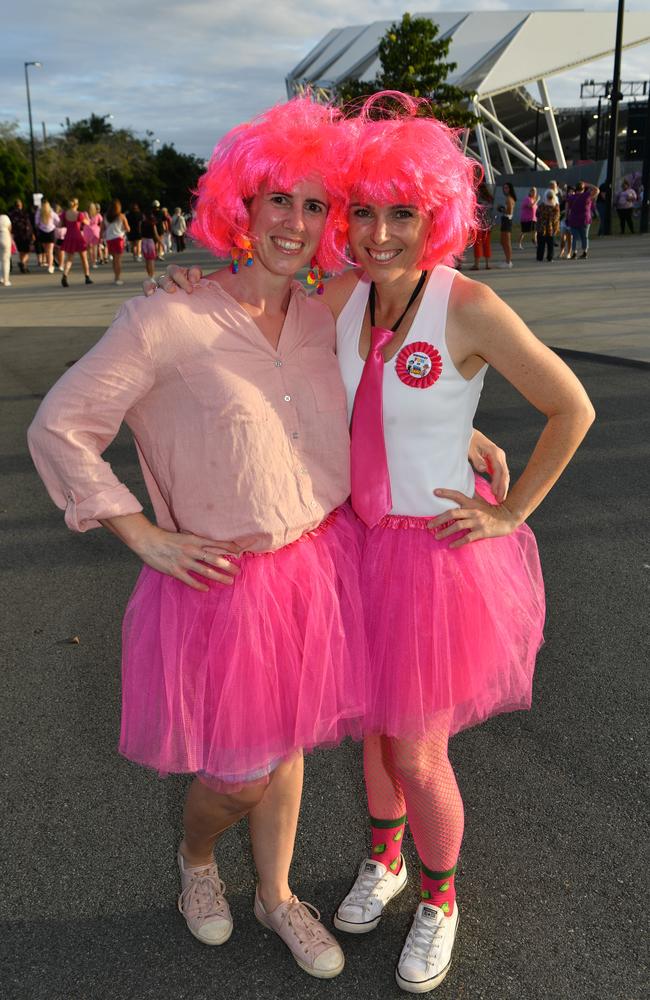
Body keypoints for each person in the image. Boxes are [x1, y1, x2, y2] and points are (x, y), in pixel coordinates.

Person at [152, 92, 589, 994]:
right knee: (374, 735)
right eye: (364, 210)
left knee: (418, 748)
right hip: (352, 549)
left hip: (434, 561)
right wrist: (186, 283)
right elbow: (284, 339)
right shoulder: (341, 296)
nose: (380, 231)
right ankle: (386, 859)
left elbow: (570, 408)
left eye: (404, 213)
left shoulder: (469, 304)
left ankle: (441, 897)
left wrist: (509, 513)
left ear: (438, 215)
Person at [28, 97, 370, 982]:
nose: (295, 222)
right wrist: (139, 532)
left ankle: (277, 892)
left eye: (315, 205)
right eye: (277, 201)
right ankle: (197, 863)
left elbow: (396, 391)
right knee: (241, 772)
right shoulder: (167, 320)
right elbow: (61, 424)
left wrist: (467, 439)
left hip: (315, 566)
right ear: (240, 210)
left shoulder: (327, 314)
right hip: (221, 584)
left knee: (289, 745)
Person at [59, 198, 92, 287]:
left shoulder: (64, 214)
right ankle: (87, 277)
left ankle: (65, 275)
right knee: (84, 258)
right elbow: (88, 223)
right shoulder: (79, 214)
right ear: (77, 205)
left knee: (69, 259)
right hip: (78, 236)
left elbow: (60, 224)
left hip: (69, 236)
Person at [566, 180, 599, 259]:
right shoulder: (587, 195)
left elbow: (568, 209)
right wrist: (587, 184)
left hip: (573, 219)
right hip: (585, 219)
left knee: (574, 237)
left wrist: (567, 217)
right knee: (585, 236)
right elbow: (597, 190)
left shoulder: (571, 197)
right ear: (583, 188)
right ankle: (584, 252)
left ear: (575, 189)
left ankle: (574, 252)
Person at [101, 200, 130, 285]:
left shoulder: (106, 216)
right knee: (118, 260)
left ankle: (116, 277)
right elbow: (128, 228)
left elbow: (102, 228)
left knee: (114, 260)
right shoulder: (121, 216)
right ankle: (117, 278)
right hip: (118, 239)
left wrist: (101, 237)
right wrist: (123, 230)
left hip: (109, 239)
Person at [470, 182, 493, 271]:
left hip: (478, 226)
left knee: (477, 245)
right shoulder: (489, 200)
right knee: (486, 244)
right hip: (487, 225)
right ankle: (487, 264)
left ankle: (476, 264)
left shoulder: (476, 201)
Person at [8, 199, 34, 274]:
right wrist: (32, 234)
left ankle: (24, 267)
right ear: (21, 205)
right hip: (25, 235)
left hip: (17, 235)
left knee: (21, 251)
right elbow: (28, 224)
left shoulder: (11, 214)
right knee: (27, 251)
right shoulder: (24, 213)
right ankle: (23, 263)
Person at [34, 200, 60, 274]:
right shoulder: (52, 212)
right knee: (50, 251)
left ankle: (50, 264)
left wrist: (40, 226)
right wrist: (54, 225)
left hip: (42, 232)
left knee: (46, 250)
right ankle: (50, 266)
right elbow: (58, 221)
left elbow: (36, 223)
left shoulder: (39, 212)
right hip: (51, 231)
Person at [535, 190, 560, 262]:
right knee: (550, 244)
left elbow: (537, 214)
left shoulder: (541, 205)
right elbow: (556, 219)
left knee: (541, 244)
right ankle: (550, 258)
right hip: (550, 228)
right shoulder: (555, 207)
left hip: (541, 227)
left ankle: (539, 257)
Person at [140, 209, 164, 278]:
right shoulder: (152, 224)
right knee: (151, 261)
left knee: (147, 260)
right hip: (150, 242)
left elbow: (140, 234)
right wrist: (161, 243)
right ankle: (152, 276)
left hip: (144, 242)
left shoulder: (142, 223)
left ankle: (149, 275)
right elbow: (156, 235)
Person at [497, 182, 516, 268]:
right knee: (502, 241)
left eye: (507, 188)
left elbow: (509, 211)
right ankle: (507, 260)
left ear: (510, 189)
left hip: (507, 220)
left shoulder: (509, 198)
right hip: (505, 220)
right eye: (504, 188)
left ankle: (508, 262)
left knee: (507, 242)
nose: (505, 189)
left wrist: (501, 209)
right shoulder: (508, 198)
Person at [85, 203, 103, 268]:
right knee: (95, 248)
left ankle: (89, 261)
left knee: (88, 248)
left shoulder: (85, 214)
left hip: (87, 231)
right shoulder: (98, 215)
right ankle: (94, 262)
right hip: (95, 231)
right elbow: (102, 222)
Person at [0, 211, 12, 287]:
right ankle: (6, 280)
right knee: (6, 260)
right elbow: (10, 227)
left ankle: (0, 278)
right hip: (4, 236)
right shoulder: (5, 217)